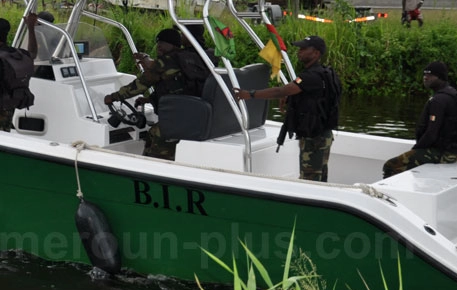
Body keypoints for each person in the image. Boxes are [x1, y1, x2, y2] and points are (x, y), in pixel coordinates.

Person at [233, 35, 340, 182]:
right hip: (322, 133)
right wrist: (291, 96)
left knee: (310, 179)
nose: (299, 52)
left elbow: (281, 91)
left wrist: (250, 94)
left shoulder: (311, 76)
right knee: (319, 175)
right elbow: (311, 95)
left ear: (316, 53)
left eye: (304, 49)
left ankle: (310, 202)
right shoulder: (324, 73)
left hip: (314, 137)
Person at [103, 27, 210, 161]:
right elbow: (179, 88)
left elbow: (138, 86)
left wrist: (113, 97)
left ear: (171, 44)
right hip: (195, 115)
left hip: (176, 119)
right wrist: (149, 99)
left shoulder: (164, 63)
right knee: (152, 133)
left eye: (162, 43)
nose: (158, 46)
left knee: (155, 137)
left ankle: (152, 169)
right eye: (158, 43)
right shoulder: (190, 58)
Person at [382, 61, 457, 178]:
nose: (425, 78)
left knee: (390, 165)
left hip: (443, 154)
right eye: (424, 75)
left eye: (430, 75)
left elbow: (431, 134)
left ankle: (385, 193)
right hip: (455, 152)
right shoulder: (454, 95)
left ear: (440, 77)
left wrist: (415, 150)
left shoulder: (439, 100)